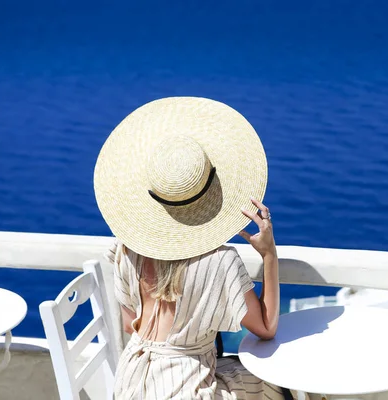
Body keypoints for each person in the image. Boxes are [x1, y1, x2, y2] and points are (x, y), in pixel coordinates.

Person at [93, 97, 297, 399]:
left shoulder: (126, 249)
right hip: (187, 388)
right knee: (275, 386)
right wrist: (269, 254)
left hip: (131, 382)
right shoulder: (220, 261)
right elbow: (266, 327)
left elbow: (128, 324)